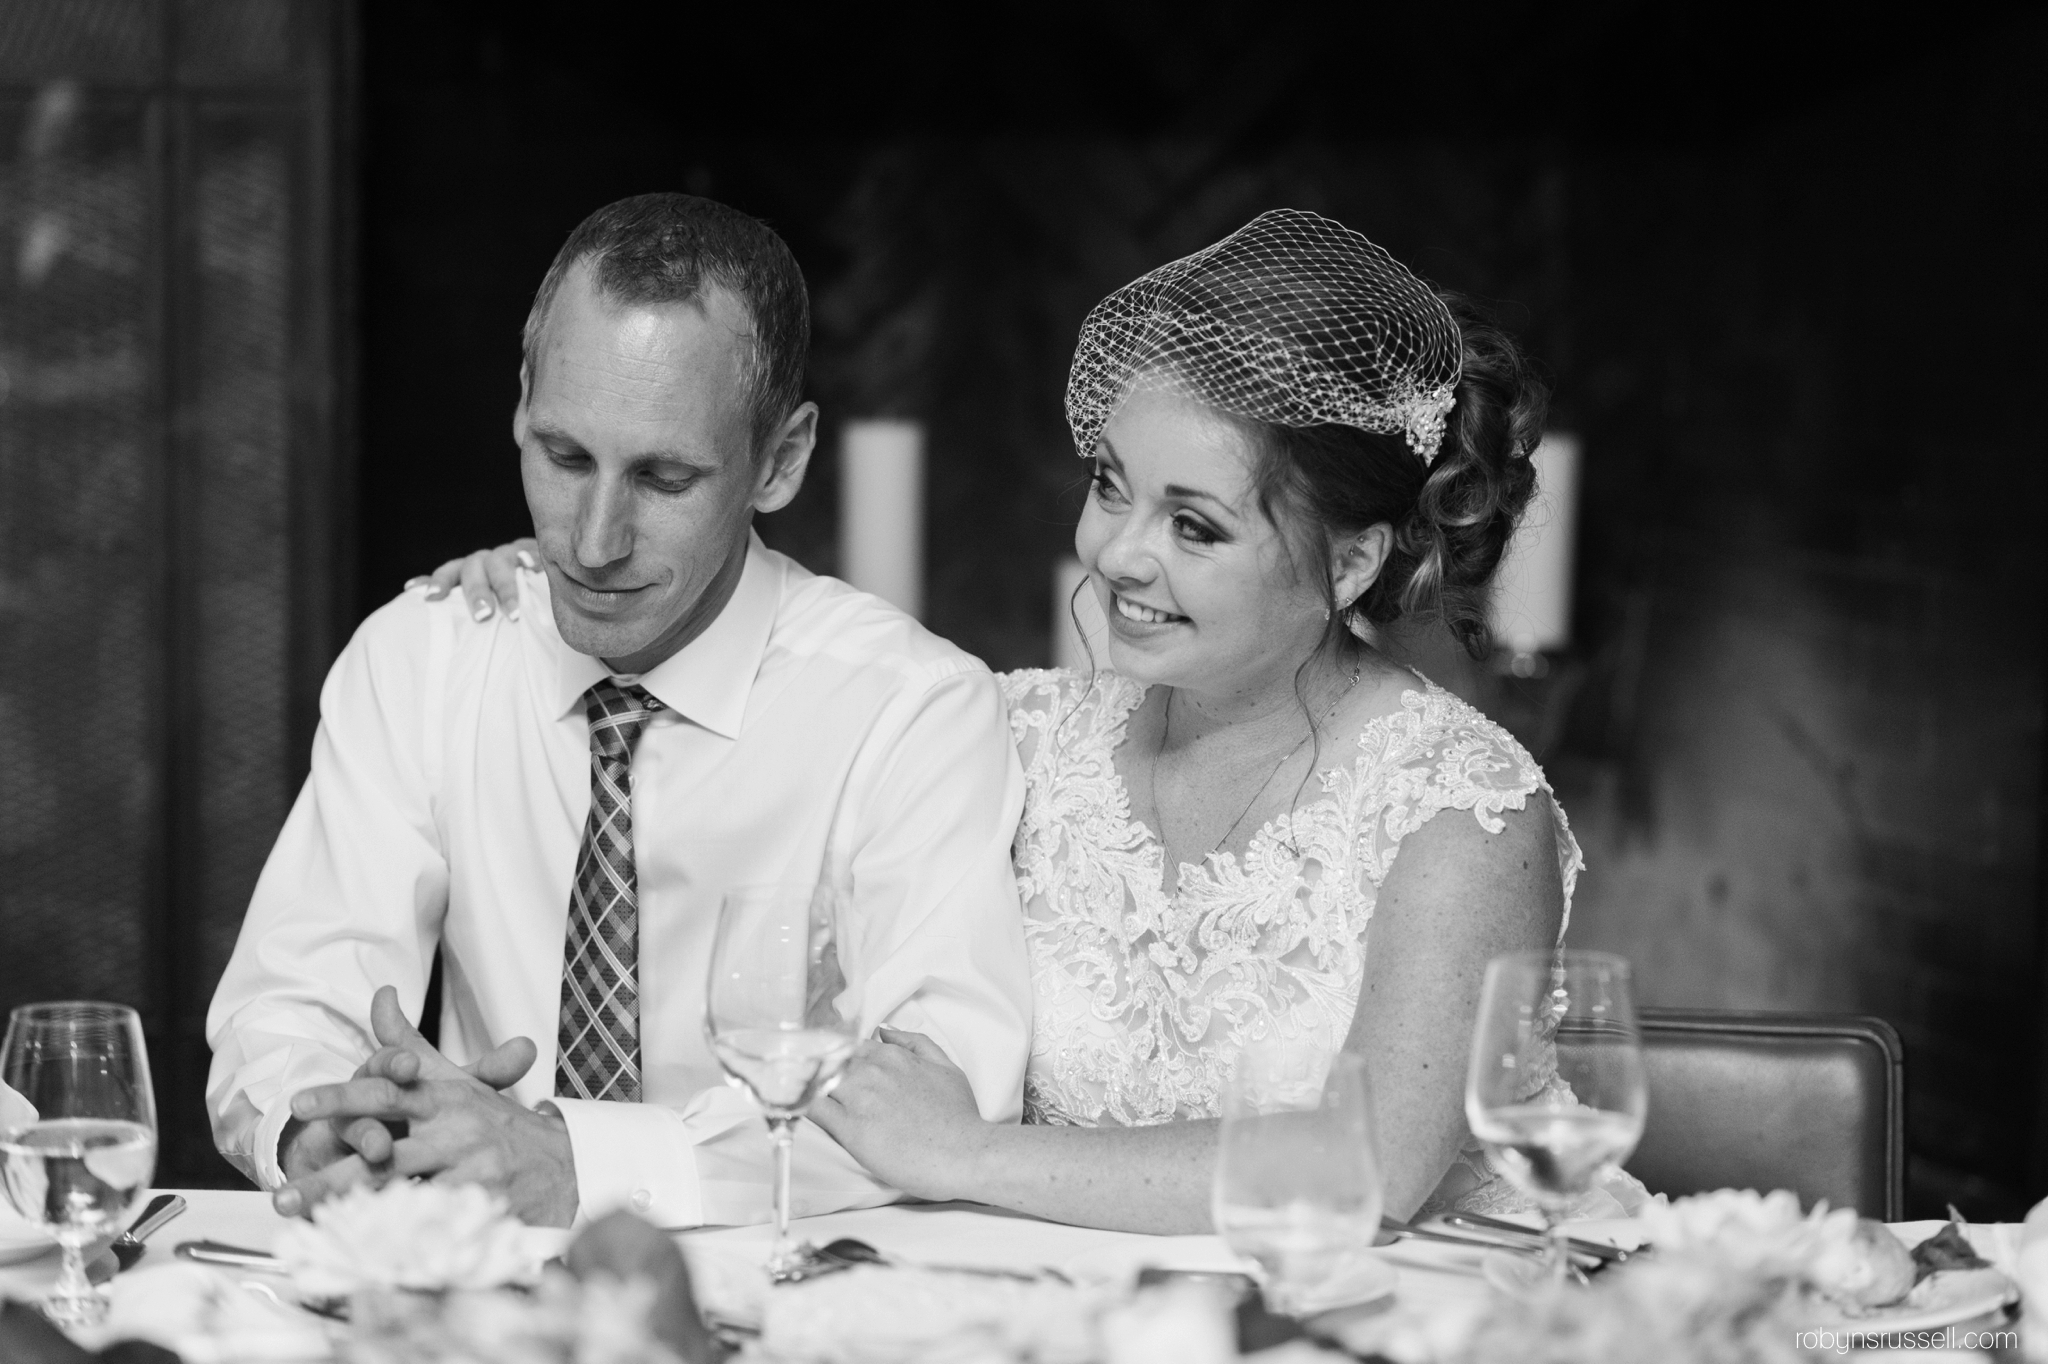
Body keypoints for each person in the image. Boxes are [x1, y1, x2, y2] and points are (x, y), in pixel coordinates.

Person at [435, 209, 1643, 1234]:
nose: (1116, 551)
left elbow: (1369, 1167)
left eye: (1195, 524)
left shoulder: (1459, 807)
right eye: (1111, 484)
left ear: (1350, 561)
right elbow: (780, 686)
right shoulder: (1017, 735)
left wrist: (965, 1156)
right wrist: (578, 594)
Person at [205, 193, 1033, 1230]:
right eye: (562, 456)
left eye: (662, 477)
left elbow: (946, 1080)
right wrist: (319, 1124)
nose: (592, 542)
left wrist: (576, 1160)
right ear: (518, 403)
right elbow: (289, 998)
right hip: (469, 1289)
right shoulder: (421, 657)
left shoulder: (910, 710)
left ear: (779, 460)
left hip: (784, 1290)